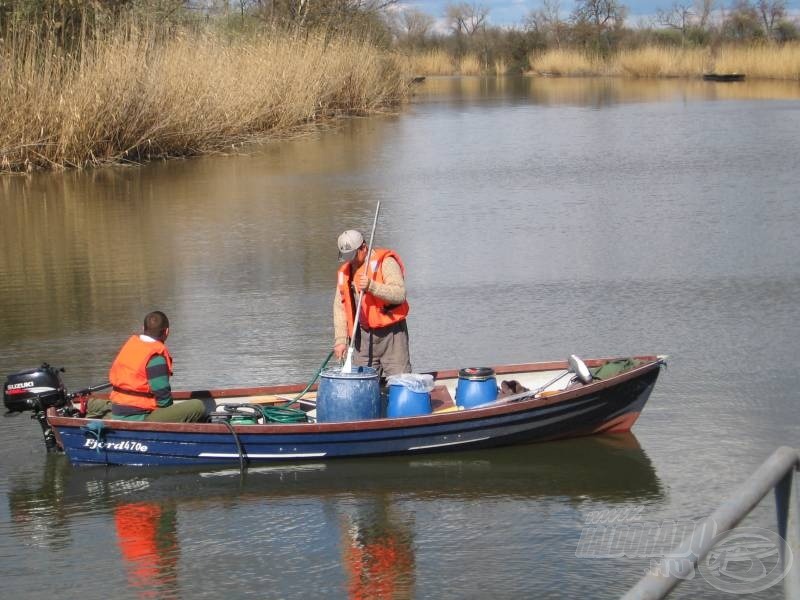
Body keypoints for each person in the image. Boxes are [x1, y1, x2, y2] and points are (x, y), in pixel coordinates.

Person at [333, 229, 412, 379]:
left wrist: (372, 286)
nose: (350, 261)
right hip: (362, 339)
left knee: (400, 382)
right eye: (346, 257)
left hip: (392, 336)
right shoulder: (345, 273)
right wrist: (341, 340)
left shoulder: (386, 262)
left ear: (363, 247)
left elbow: (400, 294)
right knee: (360, 383)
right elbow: (340, 308)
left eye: (353, 256)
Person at [109, 311, 206, 422]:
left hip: (117, 410)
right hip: (140, 416)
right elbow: (164, 401)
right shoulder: (156, 358)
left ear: (143, 328)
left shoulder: (131, 347)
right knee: (198, 406)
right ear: (166, 331)